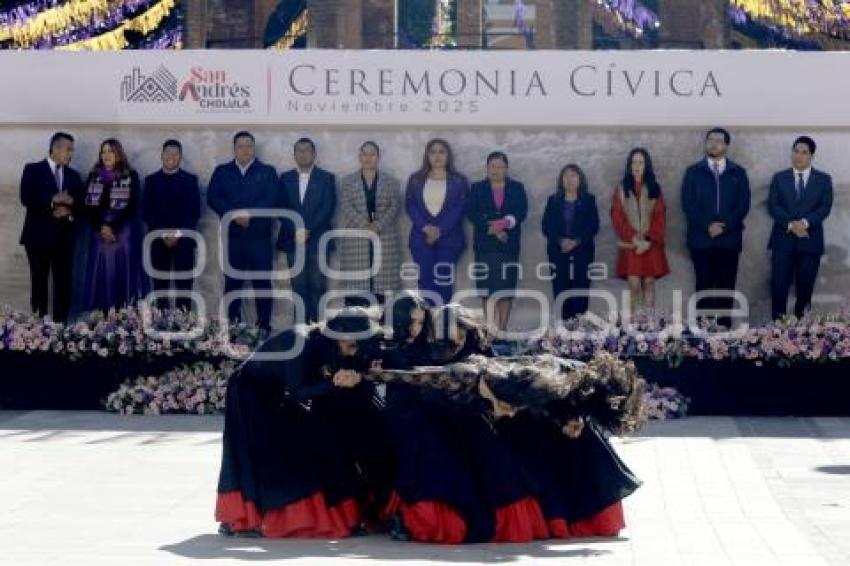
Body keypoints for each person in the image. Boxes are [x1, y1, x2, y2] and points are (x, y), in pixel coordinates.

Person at [216, 308, 383, 538]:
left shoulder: (325, 345)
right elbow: (298, 393)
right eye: (352, 346)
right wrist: (336, 384)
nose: (352, 352)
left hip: (275, 394)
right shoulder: (300, 342)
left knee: (298, 447)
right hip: (249, 393)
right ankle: (240, 519)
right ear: (340, 337)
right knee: (255, 453)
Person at [207, 131, 278, 333]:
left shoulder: (267, 171)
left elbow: (272, 197)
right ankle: (233, 327)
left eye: (249, 145)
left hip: (260, 238)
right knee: (232, 284)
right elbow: (213, 197)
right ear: (234, 148)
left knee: (263, 285)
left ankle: (264, 328)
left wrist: (250, 215)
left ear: (254, 148)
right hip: (233, 238)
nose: (245, 149)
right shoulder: (222, 171)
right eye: (241, 146)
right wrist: (234, 214)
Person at [681, 128, 751, 328]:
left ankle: (723, 334)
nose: (713, 143)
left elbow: (743, 205)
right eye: (710, 140)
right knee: (703, 285)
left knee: (725, 286)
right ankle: (702, 332)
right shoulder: (693, 171)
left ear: (726, 145)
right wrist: (707, 225)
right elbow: (688, 203)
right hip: (701, 240)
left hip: (729, 240)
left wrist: (725, 226)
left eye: (718, 140)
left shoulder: (738, 172)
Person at [19, 132, 83, 322]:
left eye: (72, 150)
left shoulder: (74, 175)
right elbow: (26, 197)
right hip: (37, 238)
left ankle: (60, 329)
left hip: (64, 240)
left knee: (63, 285)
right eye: (68, 149)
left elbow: (82, 205)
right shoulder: (33, 169)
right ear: (55, 148)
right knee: (38, 284)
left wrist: (70, 210)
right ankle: (39, 331)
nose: (71, 154)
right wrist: (52, 200)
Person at [768, 136, 833, 320]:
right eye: (796, 151)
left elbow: (824, 207)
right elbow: (774, 206)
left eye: (804, 152)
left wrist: (804, 223)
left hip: (810, 242)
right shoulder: (780, 178)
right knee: (778, 287)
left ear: (811, 155)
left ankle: (801, 334)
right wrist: (791, 225)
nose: (799, 156)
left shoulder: (823, 179)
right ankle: (776, 332)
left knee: (805, 289)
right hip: (782, 242)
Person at [78, 138, 145, 312]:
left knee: (122, 272)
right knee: (101, 272)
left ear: (118, 154)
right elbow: (87, 207)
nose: (106, 155)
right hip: (99, 233)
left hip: (123, 233)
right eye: (103, 151)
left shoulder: (130, 175)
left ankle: (125, 314)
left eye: (110, 151)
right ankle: (101, 316)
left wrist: (112, 227)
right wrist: (102, 227)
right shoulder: (94, 176)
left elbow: (133, 206)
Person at [465, 151, 528, 332]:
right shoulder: (477, 188)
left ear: (506, 168)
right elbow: (471, 213)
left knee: (505, 290)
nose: (496, 170)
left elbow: (521, 212)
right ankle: (489, 331)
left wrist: (503, 224)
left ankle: (503, 331)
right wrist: (490, 228)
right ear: (487, 168)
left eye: (500, 166)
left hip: (508, 246)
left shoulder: (517, 187)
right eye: (492, 166)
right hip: (485, 246)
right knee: (487, 289)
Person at [277, 137, 337, 323]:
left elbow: (328, 207)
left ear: (314, 154)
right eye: (299, 150)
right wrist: (296, 229)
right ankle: (301, 331)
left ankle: (318, 330)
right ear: (294, 154)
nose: (303, 153)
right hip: (293, 239)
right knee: (298, 287)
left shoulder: (326, 178)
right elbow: (281, 207)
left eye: (307, 150)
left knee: (318, 286)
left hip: (318, 239)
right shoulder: (285, 178)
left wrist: (307, 229)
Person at [336, 141, 402, 305]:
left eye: (372, 154)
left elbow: (395, 206)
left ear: (378, 157)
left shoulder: (391, 181)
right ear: (359, 156)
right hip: (356, 239)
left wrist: (377, 226)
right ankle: (355, 325)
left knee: (383, 289)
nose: (368, 157)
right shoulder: (347, 182)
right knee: (356, 287)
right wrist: (366, 226)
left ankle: (382, 325)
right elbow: (346, 206)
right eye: (364, 153)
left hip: (384, 237)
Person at [405, 139, 468, 306]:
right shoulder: (416, 179)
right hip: (421, 238)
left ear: (448, 155)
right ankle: (427, 326)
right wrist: (426, 228)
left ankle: (443, 325)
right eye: (433, 152)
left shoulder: (459, 180)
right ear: (427, 155)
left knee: (443, 280)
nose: (437, 156)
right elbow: (410, 205)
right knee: (426, 282)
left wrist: (439, 230)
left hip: (450, 239)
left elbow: (459, 209)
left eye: (442, 152)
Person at [141, 139, 201, 312]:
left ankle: (184, 328)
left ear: (180, 157)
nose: (171, 157)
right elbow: (146, 211)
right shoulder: (151, 181)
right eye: (168, 153)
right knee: (160, 288)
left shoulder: (190, 180)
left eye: (176, 153)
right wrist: (164, 234)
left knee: (185, 287)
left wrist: (176, 234)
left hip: (183, 242)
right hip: (159, 242)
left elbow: (194, 212)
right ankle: (161, 328)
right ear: (161, 155)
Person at [610, 148, 670, 313]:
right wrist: (634, 239)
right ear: (629, 166)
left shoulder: (654, 188)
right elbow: (617, 217)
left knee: (649, 283)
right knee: (634, 283)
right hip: (632, 245)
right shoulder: (622, 189)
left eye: (641, 162)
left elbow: (660, 217)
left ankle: (650, 325)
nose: (637, 166)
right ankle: (634, 325)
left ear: (646, 165)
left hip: (651, 244)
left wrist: (649, 240)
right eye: (634, 162)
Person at [542, 164, 600, 321]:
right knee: (561, 290)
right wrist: (561, 241)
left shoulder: (589, 200)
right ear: (561, 180)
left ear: (580, 179)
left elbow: (593, 226)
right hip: (558, 252)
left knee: (581, 290)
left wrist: (576, 241)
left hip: (582, 252)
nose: (570, 179)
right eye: (566, 176)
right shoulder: (553, 201)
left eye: (574, 176)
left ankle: (580, 331)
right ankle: (564, 332)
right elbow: (546, 226)